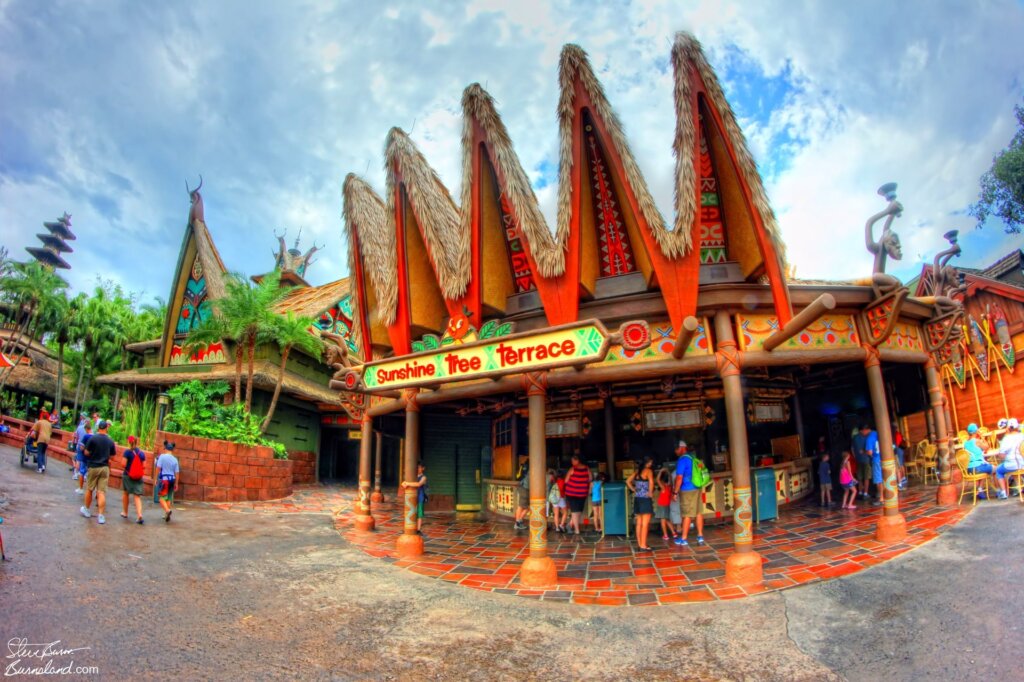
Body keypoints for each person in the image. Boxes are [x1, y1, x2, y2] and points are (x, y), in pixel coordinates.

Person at [81, 420, 116, 525]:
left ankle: (87, 509)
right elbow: (113, 457)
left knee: (90, 489)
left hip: (93, 466)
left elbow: (86, 452)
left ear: (98, 428)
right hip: (104, 467)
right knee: (101, 492)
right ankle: (101, 516)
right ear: (106, 428)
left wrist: (93, 453)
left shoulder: (93, 438)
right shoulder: (110, 441)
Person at [673, 441, 705, 546]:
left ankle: (684, 539)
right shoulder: (693, 458)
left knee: (687, 514)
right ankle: (700, 536)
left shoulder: (682, 460)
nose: (676, 451)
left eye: (677, 449)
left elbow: (679, 478)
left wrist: (675, 492)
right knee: (698, 512)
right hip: (697, 487)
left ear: (682, 448)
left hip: (687, 490)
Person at [627, 456, 655, 551]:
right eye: (651, 462)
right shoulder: (648, 471)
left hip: (637, 499)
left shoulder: (637, 472)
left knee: (639, 523)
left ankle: (640, 544)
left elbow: (627, 481)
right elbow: (651, 483)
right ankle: (643, 545)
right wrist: (650, 493)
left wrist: (634, 489)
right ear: (647, 462)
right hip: (645, 499)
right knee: (645, 524)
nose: (651, 464)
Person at [563, 455, 592, 536]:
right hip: (581, 493)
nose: (572, 463)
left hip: (572, 493)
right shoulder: (587, 469)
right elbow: (590, 479)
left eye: (573, 461)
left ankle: (571, 525)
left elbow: (566, 481)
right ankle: (576, 529)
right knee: (577, 511)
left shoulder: (572, 469)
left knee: (576, 511)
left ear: (577, 461)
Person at [994, 419, 1023, 499]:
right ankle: (1018, 488)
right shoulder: (1022, 436)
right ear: (1017, 427)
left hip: (1011, 464)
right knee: (1015, 471)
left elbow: (1001, 455)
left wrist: (1004, 457)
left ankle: (1003, 493)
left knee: (998, 470)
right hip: (1023, 463)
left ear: (1008, 428)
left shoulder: (1006, 439)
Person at [120, 436, 146, 524]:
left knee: (126, 493)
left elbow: (123, 464)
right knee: (137, 496)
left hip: (128, 475)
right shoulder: (141, 453)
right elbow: (144, 466)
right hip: (138, 477)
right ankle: (139, 515)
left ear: (129, 442)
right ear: (136, 442)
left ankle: (125, 512)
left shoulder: (127, 452)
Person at [155, 440, 181, 522]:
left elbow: (158, 468)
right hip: (172, 479)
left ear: (165, 449)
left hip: (165, 480)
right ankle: (166, 515)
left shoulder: (162, 456)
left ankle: (167, 511)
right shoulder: (175, 459)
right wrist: (176, 483)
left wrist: (155, 479)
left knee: (161, 498)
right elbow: (177, 472)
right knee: (168, 498)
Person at [401, 461, 428, 534]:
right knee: (410, 511)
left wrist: (408, 483)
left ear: (423, 468)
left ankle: (418, 530)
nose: (418, 469)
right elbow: (404, 482)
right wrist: (404, 483)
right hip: (412, 498)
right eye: (417, 467)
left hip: (420, 497)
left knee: (419, 514)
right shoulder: (413, 476)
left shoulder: (424, 477)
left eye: (419, 467)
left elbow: (419, 484)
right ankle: (408, 527)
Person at [861, 425, 883, 505]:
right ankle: (885, 496)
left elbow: (870, 452)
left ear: (864, 430)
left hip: (876, 459)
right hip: (883, 458)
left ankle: (881, 498)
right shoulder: (878, 433)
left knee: (878, 480)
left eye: (861, 432)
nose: (862, 434)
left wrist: (864, 451)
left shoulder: (869, 438)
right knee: (884, 478)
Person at [655, 468, 677, 541]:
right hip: (667, 505)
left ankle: (665, 535)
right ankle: (674, 533)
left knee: (663, 520)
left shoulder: (663, 487)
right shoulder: (670, 487)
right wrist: (668, 472)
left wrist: (660, 471)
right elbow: (670, 479)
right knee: (667, 520)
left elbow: (657, 480)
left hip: (662, 505)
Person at [74, 422, 92, 495]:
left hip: (85, 458)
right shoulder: (95, 436)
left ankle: (81, 488)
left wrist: (84, 451)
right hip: (92, 459)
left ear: (86, 429)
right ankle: (90, 490)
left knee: (82, 472)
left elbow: (81, 446)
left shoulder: (86, 436)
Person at [852, 425, 870, 500]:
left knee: (859, 477)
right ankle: (865, 493)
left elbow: (852, 449)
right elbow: (869, 449)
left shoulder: (854, 438)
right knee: (866, 477)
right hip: (866, 460)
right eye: (866, 430)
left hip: (858, 460)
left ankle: (860, 492)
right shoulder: (866, 438)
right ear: (862, 430)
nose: (867, 431)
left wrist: (855, 456)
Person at [513, 463, 530, 530]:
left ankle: (517, 523)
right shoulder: (530, 470)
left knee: (520, 507)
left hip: (521, 488)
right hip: (525, 490)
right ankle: (518, 522)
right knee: (527, 508)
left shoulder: (524, 468)